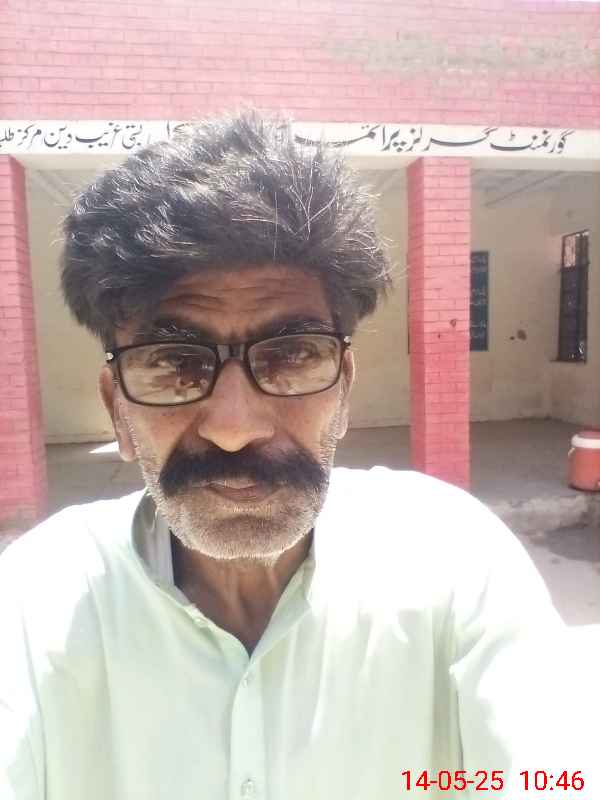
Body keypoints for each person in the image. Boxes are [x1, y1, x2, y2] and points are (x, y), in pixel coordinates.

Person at [0, 111, 596, 799]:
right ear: (118, 410)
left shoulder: (454, 561)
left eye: (290, 356)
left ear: (343, 391)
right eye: (173, 363)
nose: (234, 428)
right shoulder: (35, 602)